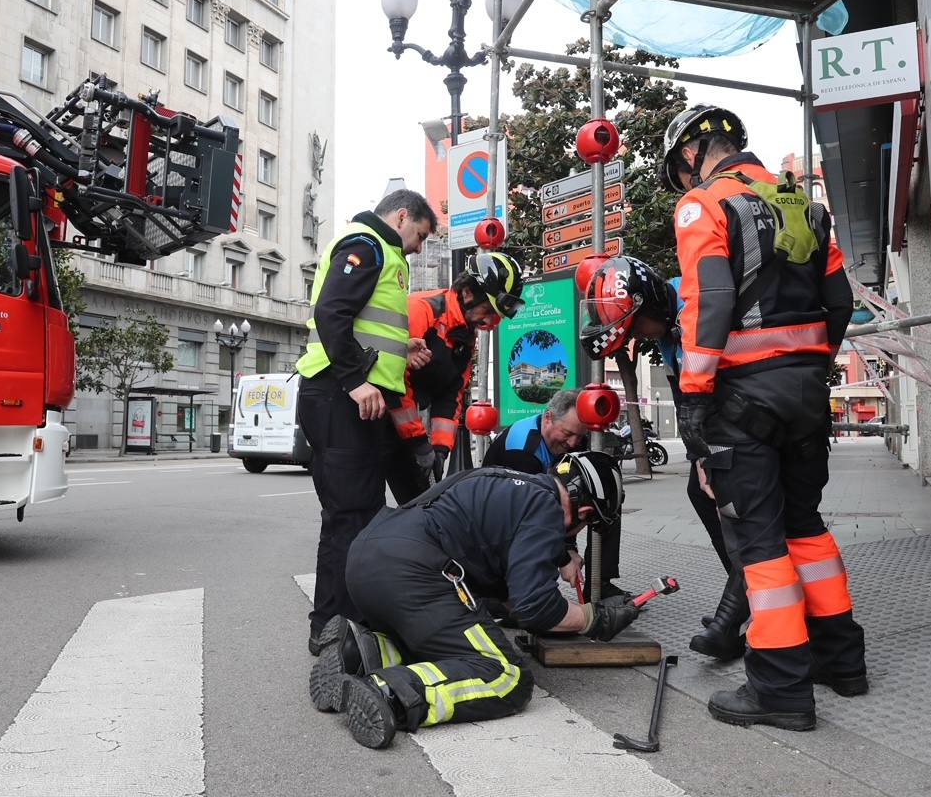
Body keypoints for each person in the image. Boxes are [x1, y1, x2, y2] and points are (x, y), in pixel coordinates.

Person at [662, 104, 864, 732]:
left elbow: (710, 302)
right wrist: (808, 365)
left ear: (693, 154)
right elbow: (840, 302)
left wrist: (693, 398)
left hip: (742, 399)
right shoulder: (804, 204)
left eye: (682, 168)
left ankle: (779, 685)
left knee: (758, 539)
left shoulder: (704, 206)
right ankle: (841, 661)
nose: (685, 180)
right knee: (807, 525)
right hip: (806, 394)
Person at [308, 453, 639, 749]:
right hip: (415, 573)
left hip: (368, 559)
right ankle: (392, 692)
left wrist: (556, 558)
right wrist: (592, 617)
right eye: (585, 526)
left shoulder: (502, 480)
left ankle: (359, 650)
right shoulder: (546, 509)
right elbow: (534, 606)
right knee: (504, 675)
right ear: (583, 512)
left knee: (448, 647)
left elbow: (504, 578)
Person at [581, 256, 747, 662]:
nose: (640, 337)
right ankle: (745, 597)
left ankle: (745, 607)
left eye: (637, 328)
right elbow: (683, 393)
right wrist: (697, 455)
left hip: (746, 418)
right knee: (701, 491)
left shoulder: (696, 304)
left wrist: (711, 451)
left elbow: (714, 381)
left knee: (739, 509)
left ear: (651, 305)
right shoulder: (669, 326)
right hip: (722, 424)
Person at [296, 189, 436, 656]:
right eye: (418, 234)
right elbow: (332, 312)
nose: (418, 246)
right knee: (349, 517)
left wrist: (404, 348)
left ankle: (351, 622)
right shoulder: (368, 245)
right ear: (401, 216)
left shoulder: (385, 252)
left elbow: (363, 325)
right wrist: (356, 380)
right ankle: (333, 630)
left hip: (354, 401)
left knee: (362, 514)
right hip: (339, 397)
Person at [386, 252, 525, 504]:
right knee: (363, 509)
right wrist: (418, 442)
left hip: (402, 425)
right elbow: (395, 380)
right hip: (372, 414)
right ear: (468, 293)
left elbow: (451, 394)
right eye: (490, 312)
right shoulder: (422, 309)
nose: (493, 323)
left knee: (419, 506)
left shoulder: (465, 335)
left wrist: (439, 450)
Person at [482, 389, 628, 601]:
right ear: (548, 418)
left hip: (546, 504)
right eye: (567, 434)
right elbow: (530, 516)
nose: (573, 443)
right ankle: (522, 592)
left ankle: (601, 582)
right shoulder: (523, 451)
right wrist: (564, 556)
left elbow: (573, 495)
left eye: (580, 436)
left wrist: (569, 547)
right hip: (502, 520)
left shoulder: (575, 440)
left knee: (605, 501)